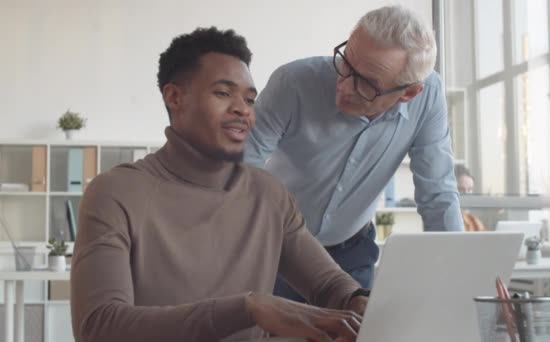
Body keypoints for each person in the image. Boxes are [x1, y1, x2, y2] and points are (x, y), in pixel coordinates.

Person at [70, 27, 369, 342]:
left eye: (250, 99)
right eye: (223, 93)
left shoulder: (269, 195)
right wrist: (249, 309)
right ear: (175, 97)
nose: (242, 108)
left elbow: (329, 286)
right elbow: (99, 327)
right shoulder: (116, 192)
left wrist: (358, 300)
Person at [244, 5, 464, 302]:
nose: (344, 86)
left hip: (351, 251)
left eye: (367, 83)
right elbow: (241, 169)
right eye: (346, 63)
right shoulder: (293, 83)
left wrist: (456, 278)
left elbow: (438, 193)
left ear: (408, 93)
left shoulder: (428, 98)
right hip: (276, 248)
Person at [454, 164, 486, 231]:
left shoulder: (474, 222)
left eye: (469, 189)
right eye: (461, 189)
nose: (466, 194)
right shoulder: (447, 220)